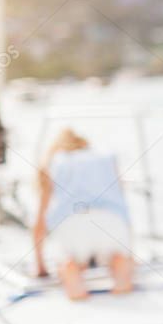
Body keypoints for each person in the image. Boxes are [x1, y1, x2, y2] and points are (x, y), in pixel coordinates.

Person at [33, 128, 135, 300]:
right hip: (111, 222)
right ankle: (121, 273)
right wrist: (129, 252)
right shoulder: (105, 158)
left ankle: (73, 275)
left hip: (72, 224)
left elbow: (40, 223)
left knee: (68, 259)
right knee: (119, 256)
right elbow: (123, 205)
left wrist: (40, 266)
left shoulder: (54, 162)